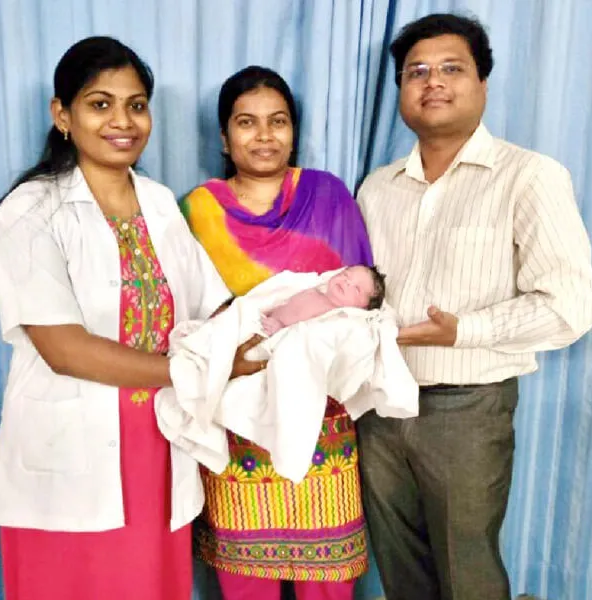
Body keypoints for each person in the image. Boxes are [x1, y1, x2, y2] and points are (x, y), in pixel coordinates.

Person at [0, 36, 262, 600]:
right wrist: (200, 370)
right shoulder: (31, 209)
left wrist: (290, 323)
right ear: (62, 114)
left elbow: (213, 305)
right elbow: (64, 349)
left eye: (136, 105)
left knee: (151, 586)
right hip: (68, 450)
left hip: (157, 443)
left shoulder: (159, 203)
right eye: (99, 104)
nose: (122, 121)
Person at [356, 13, 592, 600]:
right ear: (400, 90)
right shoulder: (377, 188)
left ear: (483, 83)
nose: (433, 81)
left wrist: (461, 331)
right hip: (378, 406)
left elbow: (571, 306)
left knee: (468, 575)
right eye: (416, 72)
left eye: (451, 68)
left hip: (466, 409)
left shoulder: (528, 176)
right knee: (400, 572)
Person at [182, 65, 373, 600]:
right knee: (247, 581)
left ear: (293, 131)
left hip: (321, 416)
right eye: (247, 122)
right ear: (225, 137)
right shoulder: (197, 210)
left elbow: (360, 307)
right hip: (236, 415)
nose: (264, 135)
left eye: (278, 121)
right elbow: (188, 315)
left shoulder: (328, 195)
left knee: (327, 582)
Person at [261, 265, 386, 335]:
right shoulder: (315, 291)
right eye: (345, 275)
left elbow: (305, 339)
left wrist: (281, 331)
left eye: (357, 289)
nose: (347, 282)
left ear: (363, 309)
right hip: (262, 323)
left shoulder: (332, 317)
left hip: (276, 338)